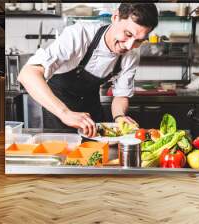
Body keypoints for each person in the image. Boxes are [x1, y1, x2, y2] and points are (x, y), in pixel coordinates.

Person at [18, 3, 159, 137]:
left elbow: (121, 94)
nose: (129, 46)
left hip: (92, 110)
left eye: (139, 40)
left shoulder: (131, 54)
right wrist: (65, 113)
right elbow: (28, 74)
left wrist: (119, 116)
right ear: (115, 17)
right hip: (59, 110)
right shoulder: (79, 34)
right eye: (128, 34)